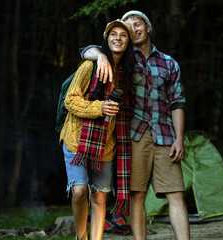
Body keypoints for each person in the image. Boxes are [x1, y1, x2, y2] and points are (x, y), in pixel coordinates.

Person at [80, 10, 190, 240]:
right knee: (136, 196)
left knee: (176, 194)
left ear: (147, 28)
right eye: (128, 27)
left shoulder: (169, 63)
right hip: (133, 137)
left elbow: (177, 102)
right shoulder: (121, 60)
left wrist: (179, 139)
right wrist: (99, 56)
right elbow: (87, 50)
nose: (133, 29)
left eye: (137, 24)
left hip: (165, 136)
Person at [59, 19, 136, 240]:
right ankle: (81, 236)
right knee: (80, 191)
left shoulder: (128, 73)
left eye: (123, 35)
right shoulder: (90, 66)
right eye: (113, 34)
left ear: (129, 41)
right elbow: (70, 101)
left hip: (106, 143)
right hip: (76, 139)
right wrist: (100, 107)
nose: (118, 38)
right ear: (106, 39)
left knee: (101, 198)